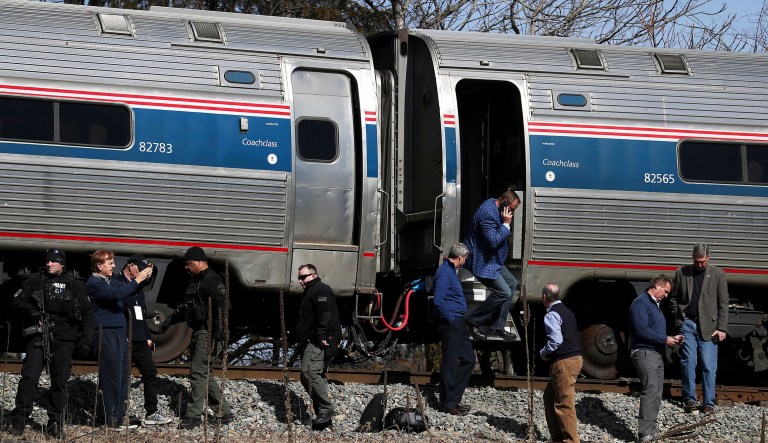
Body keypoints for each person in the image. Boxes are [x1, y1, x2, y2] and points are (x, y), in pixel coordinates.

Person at [6, 248, 94, 439]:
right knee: (29, 377)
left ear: (62, 264)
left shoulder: (75, 285)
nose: (49, 264)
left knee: (59, 381)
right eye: (47, 261)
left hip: (64, 339)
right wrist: (33, 313)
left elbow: (88, 314)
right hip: (39, 336)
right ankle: (20, 419)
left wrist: (86, 341)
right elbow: (15, 302)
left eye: (54, 261)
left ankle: (55, 422)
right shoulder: (35, 281)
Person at [87, 250, 153, 428]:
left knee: (123, 376)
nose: (114, 266)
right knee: (111, 377)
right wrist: (137, 280)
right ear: (100, 266)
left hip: (119, 333)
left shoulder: (110, 282)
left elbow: (126, 293)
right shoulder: (94, 283)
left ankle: (120, 415)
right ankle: (112, 419)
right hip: (107, 333)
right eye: (110, 263)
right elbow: (117, 295)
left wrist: (142, 280)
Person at [665, 243, 729, 414]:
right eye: (697, 261)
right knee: (688, 363)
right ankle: (689, 400)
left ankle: (708, 403)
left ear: (708, 258)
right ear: (692, 258)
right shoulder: (682, 272)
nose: (700, 264)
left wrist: (722, 328)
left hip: (709, 326)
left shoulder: (718, 274)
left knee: (708, 365)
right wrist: (679, 319)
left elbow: (723, 304)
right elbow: (674, 298)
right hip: (688, 324)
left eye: (702, 261)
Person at [178, 246, 234, 429]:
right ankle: (224, 412)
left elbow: (224, 306)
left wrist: (218, 333)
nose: (186, 267)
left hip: (208, 332)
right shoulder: (195, 281)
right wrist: (170, 320)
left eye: (189, 263)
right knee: (204, 373)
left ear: (200, 262)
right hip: (199, 332)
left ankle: (193, 416)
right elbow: (189, 307)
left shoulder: (211, 280)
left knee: (197, 372)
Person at [113, 254, 171, 426]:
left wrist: (147, 337)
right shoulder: (117, 283)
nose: (144, 273)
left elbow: (141, 316)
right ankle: (119, 414)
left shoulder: (139, 289)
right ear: (130, 266)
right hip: (123, 338)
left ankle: (151, 412)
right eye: (140, 268)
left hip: (139, 339)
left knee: (150, 373)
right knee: (121, 376)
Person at [629, 275, 683, 442]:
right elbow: (641, 330)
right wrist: (664, 339)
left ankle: (650, 431)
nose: (666, 295)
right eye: (665, 291)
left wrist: (670, 338)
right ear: (657, 285)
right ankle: (645, 433)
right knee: (651, 390)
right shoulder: (640, 303)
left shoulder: (654, 305)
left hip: (655, 352)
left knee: (656, 392)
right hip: (645, 352)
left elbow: (652, 331)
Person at [464, 190, 521, 341]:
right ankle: (471, 320)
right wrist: (506, 224)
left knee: (512, 284)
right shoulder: (487, 215)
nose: (513, 213)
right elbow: (493, 241)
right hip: (482, 262)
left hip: (493, 260)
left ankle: (497, 327)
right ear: (504, 204)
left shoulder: (493, 203)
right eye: (513, 209)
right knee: (504, 293)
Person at [296, 263, 342, 428]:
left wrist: (322, 335)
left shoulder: (320, 289)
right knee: (317, 375)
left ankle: (326, 409)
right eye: (299, 277)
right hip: (313, 339)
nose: (300, 280)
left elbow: (325, 314)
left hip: (319, 340)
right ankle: (324, 420)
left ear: (314, 275)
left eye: (303, 277)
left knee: (308, 372)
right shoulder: (311, 291)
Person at [433, 243, 475, 416]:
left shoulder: (451, 271)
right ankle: (448, 403)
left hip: (459, 321)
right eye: (464, 258)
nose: (465, 262)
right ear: (459, 257)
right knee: (450, 363)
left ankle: (454, 398)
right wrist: (451, 319)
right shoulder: (444, 272)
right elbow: (438, 300)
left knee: (469, 359)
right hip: (452, 322)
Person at [539, 283, 582, 443]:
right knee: (549, 396)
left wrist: (543, 352)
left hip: (564, 361)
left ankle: (570, 440)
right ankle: (557, 436)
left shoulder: (552, 314)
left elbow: (556, 340)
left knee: (564, 403)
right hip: (574, 358)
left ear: (544, 297)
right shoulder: (567, 311)